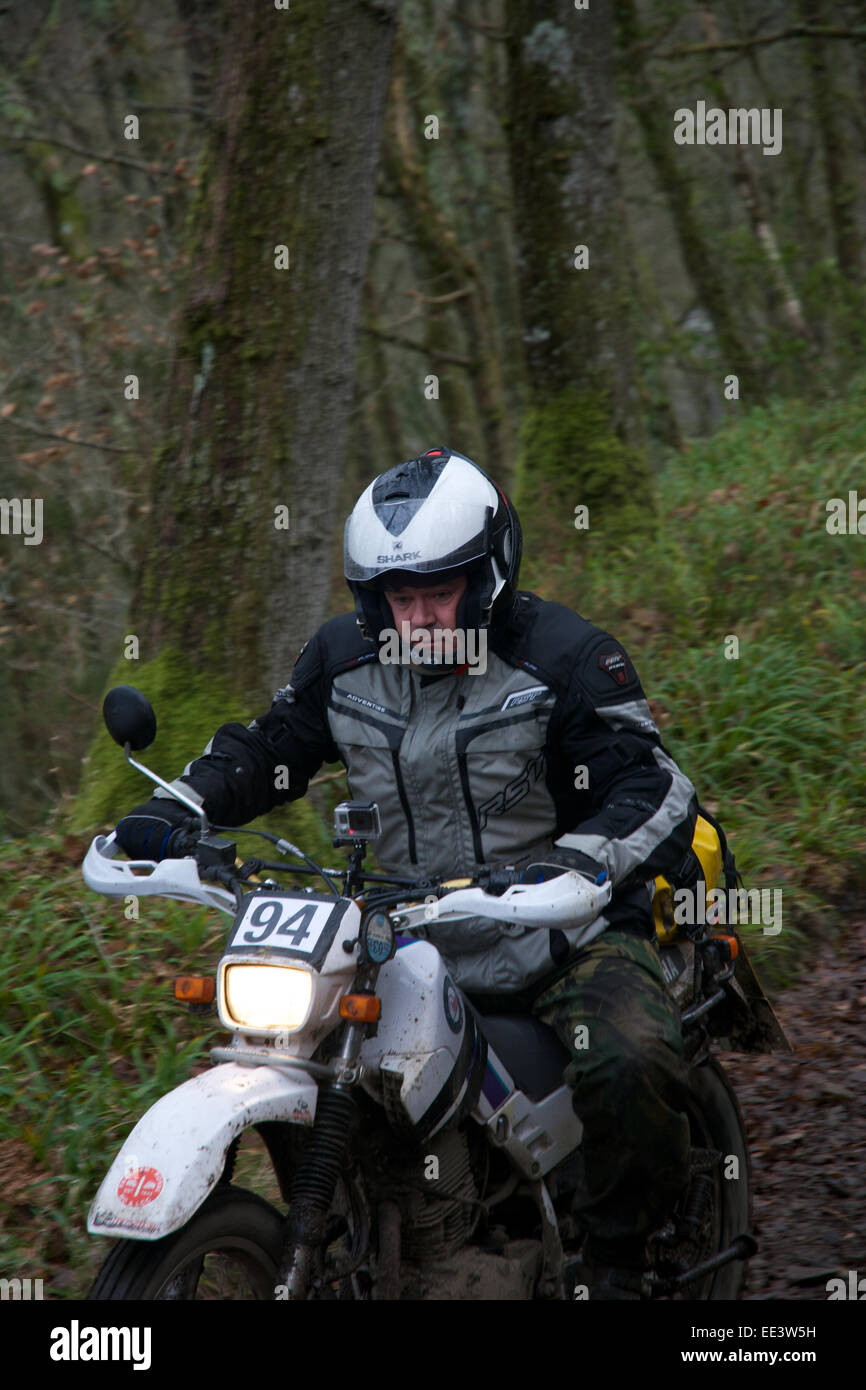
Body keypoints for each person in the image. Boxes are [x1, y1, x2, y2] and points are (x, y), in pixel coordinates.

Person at [116, 447, 700, 1299]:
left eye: (438, 593)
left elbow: (653, 788)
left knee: (627, 1056)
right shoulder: (344, 659)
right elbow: (271, 751)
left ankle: (618, 1264)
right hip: (401, 937)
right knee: (316, 1063)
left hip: (561, 937)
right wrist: (183, 807)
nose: (419, 617)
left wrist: (578, 862)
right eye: (400, 597)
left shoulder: (566, 659)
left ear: (487, 575)